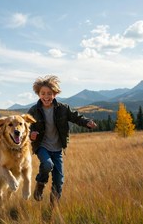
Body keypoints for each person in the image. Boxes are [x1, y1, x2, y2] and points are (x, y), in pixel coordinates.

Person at [28, 75, 97, 205]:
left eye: (49, 93)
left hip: (57, 148)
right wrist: (31, 134)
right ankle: (40, 184)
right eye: (43, 93)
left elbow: (76, 117)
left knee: (59, 180)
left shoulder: (63, 108)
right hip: (42, 146)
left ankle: (53, 207)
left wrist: (87, 122)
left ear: (55, 94)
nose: (46, 96)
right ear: (38, 94)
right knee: (47, 165)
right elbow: (25, 127)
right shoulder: (33, 110)